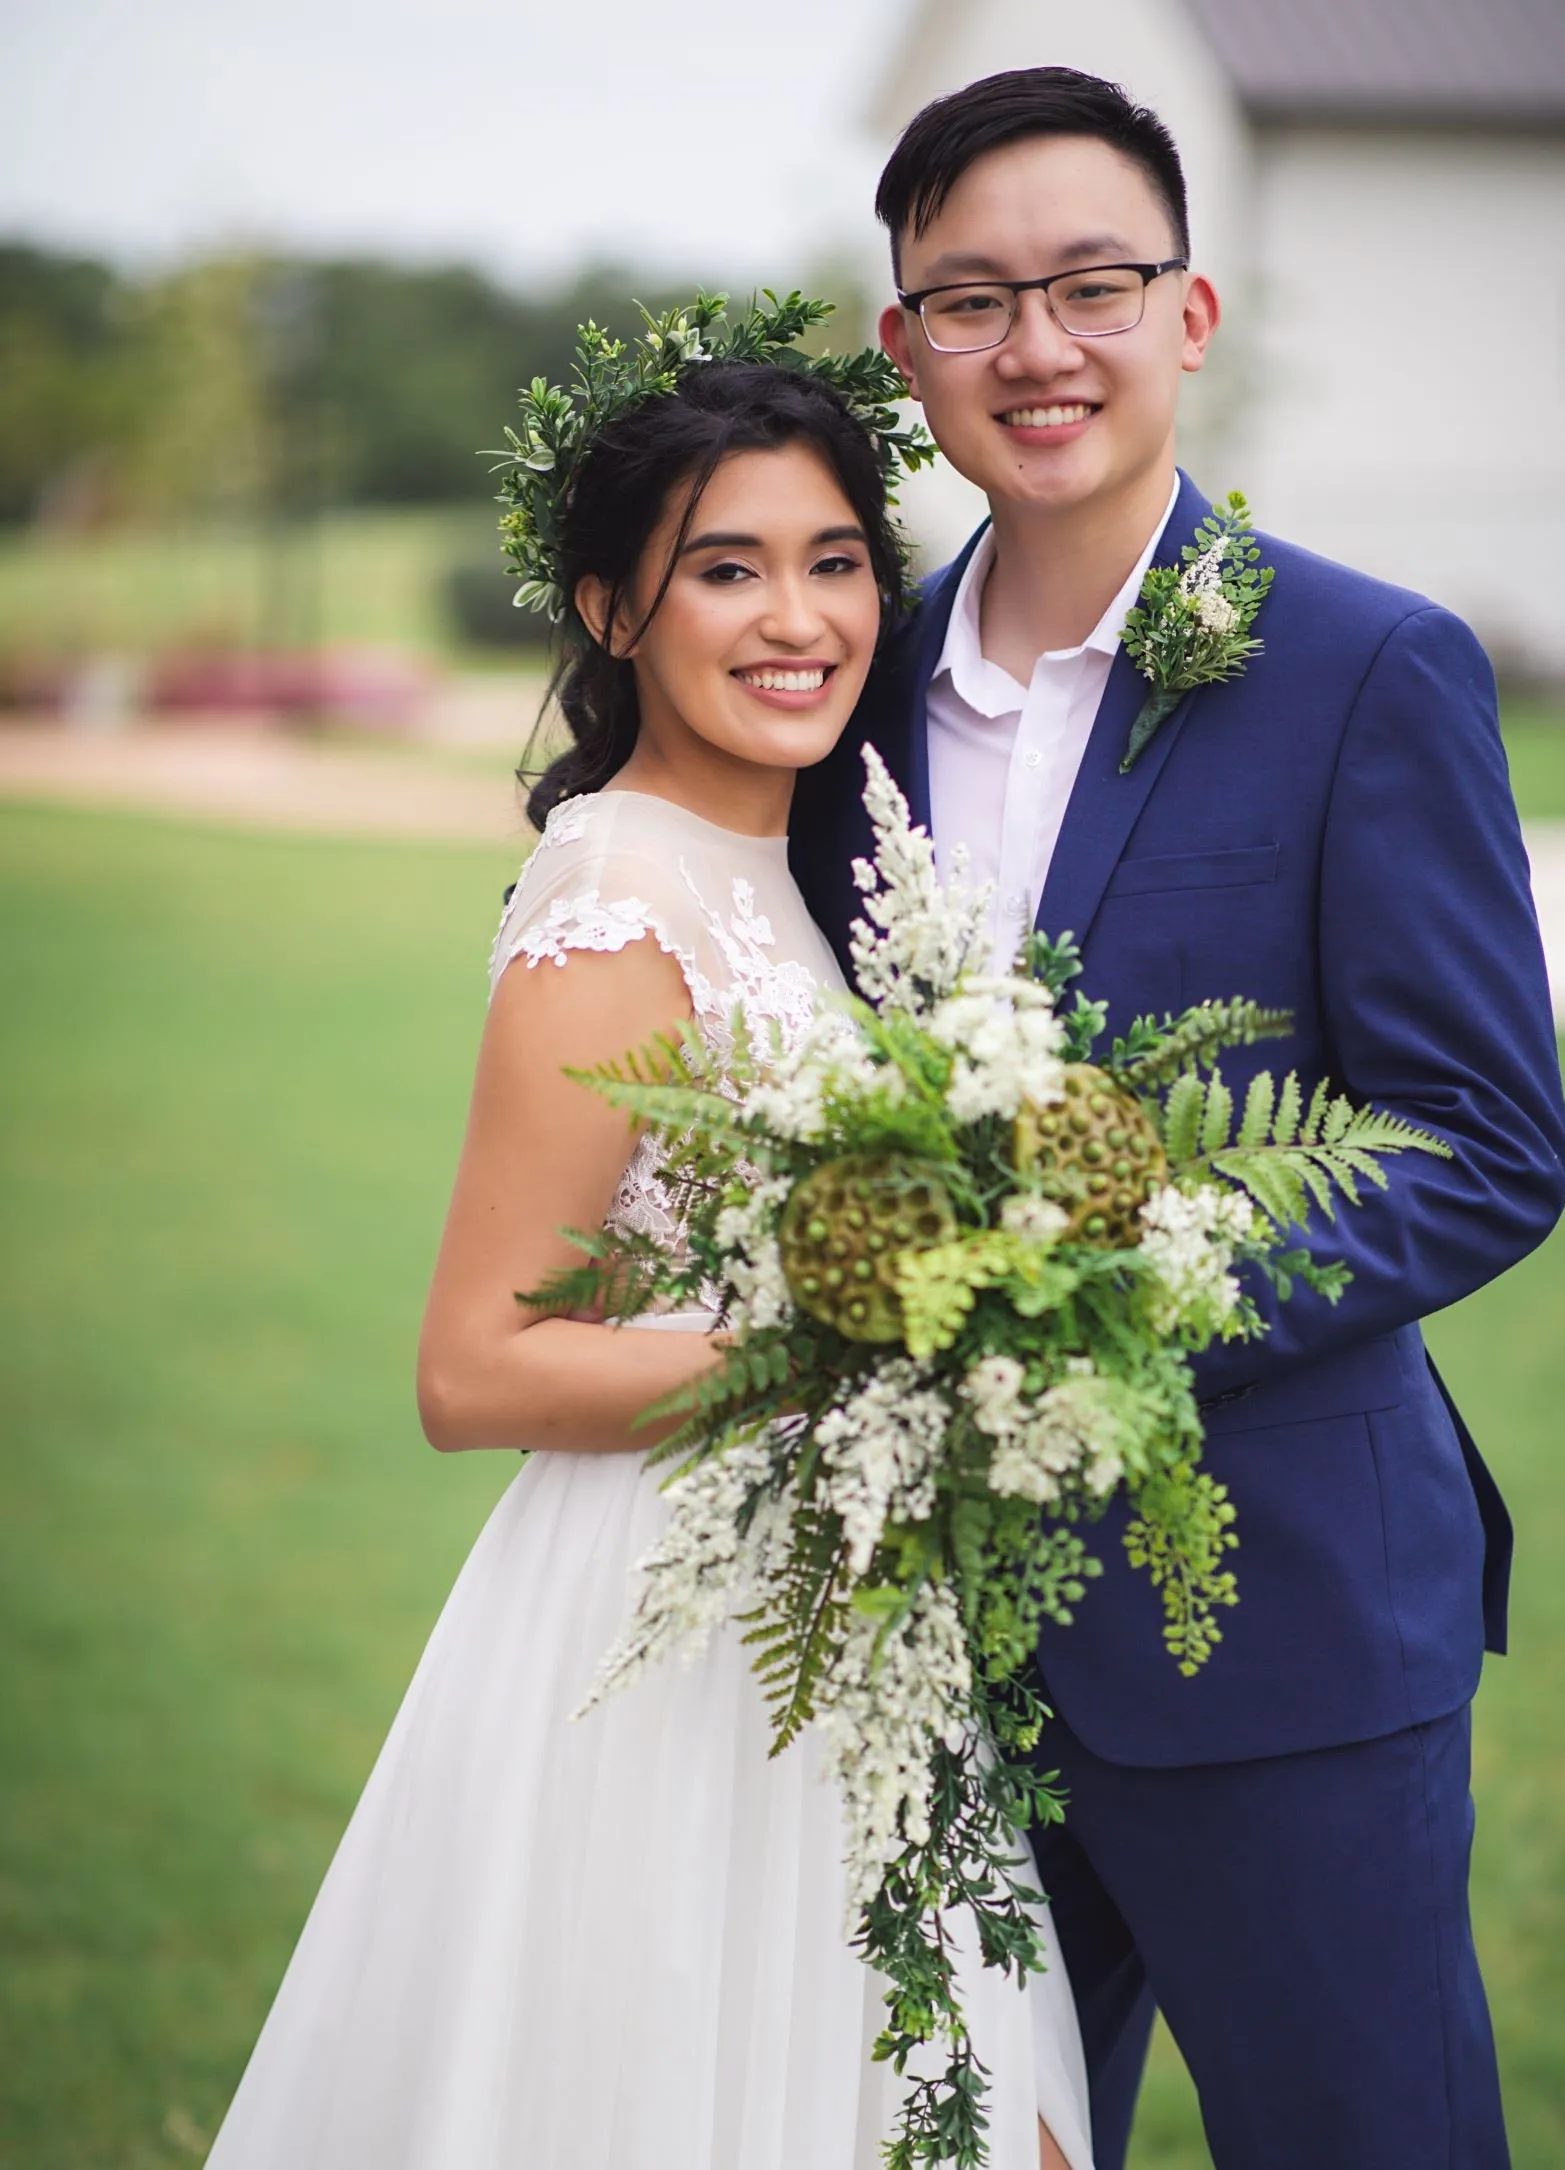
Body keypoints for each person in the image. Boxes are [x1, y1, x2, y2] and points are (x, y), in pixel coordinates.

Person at [791, 65, 1565, 2170]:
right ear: (905, 348)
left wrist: (1110, 1296)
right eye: (970, 299)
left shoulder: (1366, 667)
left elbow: (1490, 1137)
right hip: (932, 1642)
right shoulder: (835, 697)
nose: (1034, 345)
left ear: (1190, 313)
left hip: (1292, 1637)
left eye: (1090, 283)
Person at [201, 329, 1092, 2169]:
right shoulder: (619, 895)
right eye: (728, 566)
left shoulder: (795, 867)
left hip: (842, 1624)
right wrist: (850, 1342)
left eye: (837, 558)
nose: (799, 617)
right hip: (673, 1647)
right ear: (612, 609)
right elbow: (475, 1366)